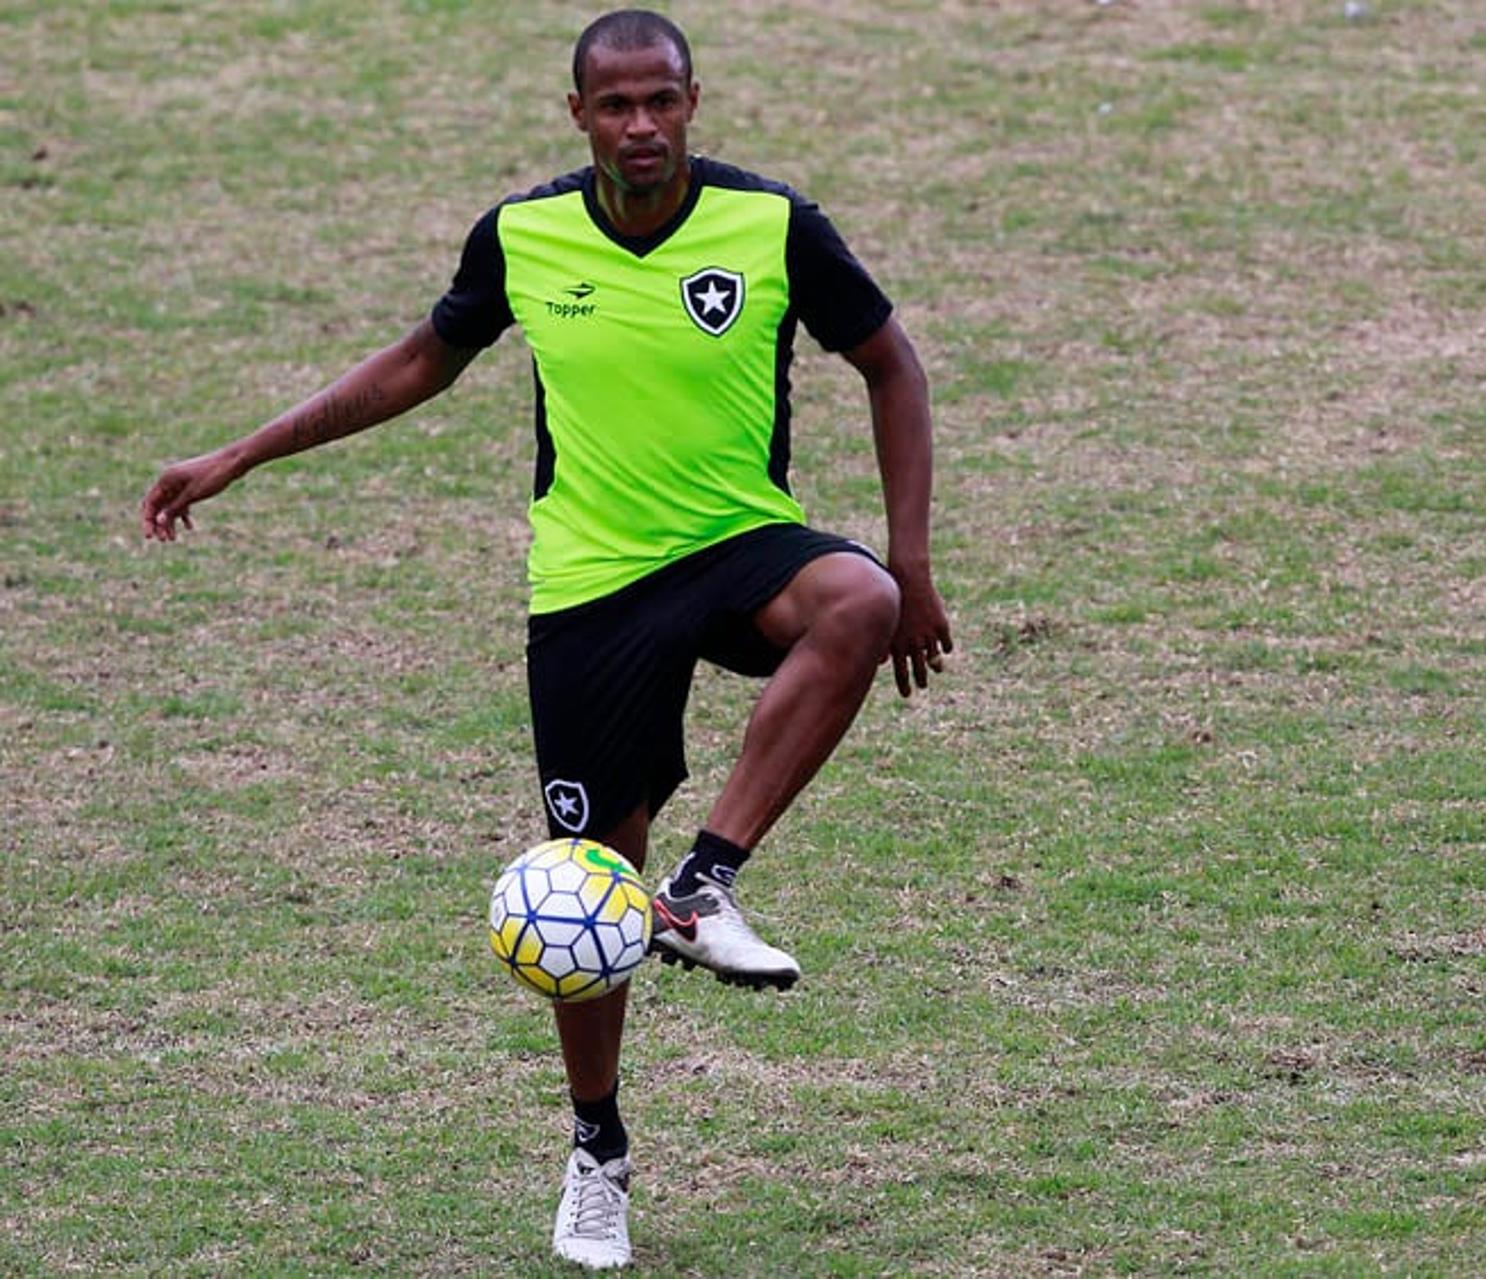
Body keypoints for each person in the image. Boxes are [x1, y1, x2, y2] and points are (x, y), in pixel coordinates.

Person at [139, 9, 950, 1270]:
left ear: (694, 102)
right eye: (616, 106)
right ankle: (598, 1151)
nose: (642, 126)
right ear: (577, 116)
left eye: (663, 101)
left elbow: (891, 364)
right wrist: (240, 454)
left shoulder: (773, 225)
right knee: (588, 893)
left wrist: (913, 558)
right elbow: (420, 362)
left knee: (859, 603)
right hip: (590, 588)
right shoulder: (524, 234)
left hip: (738, 545)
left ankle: (705, 884)